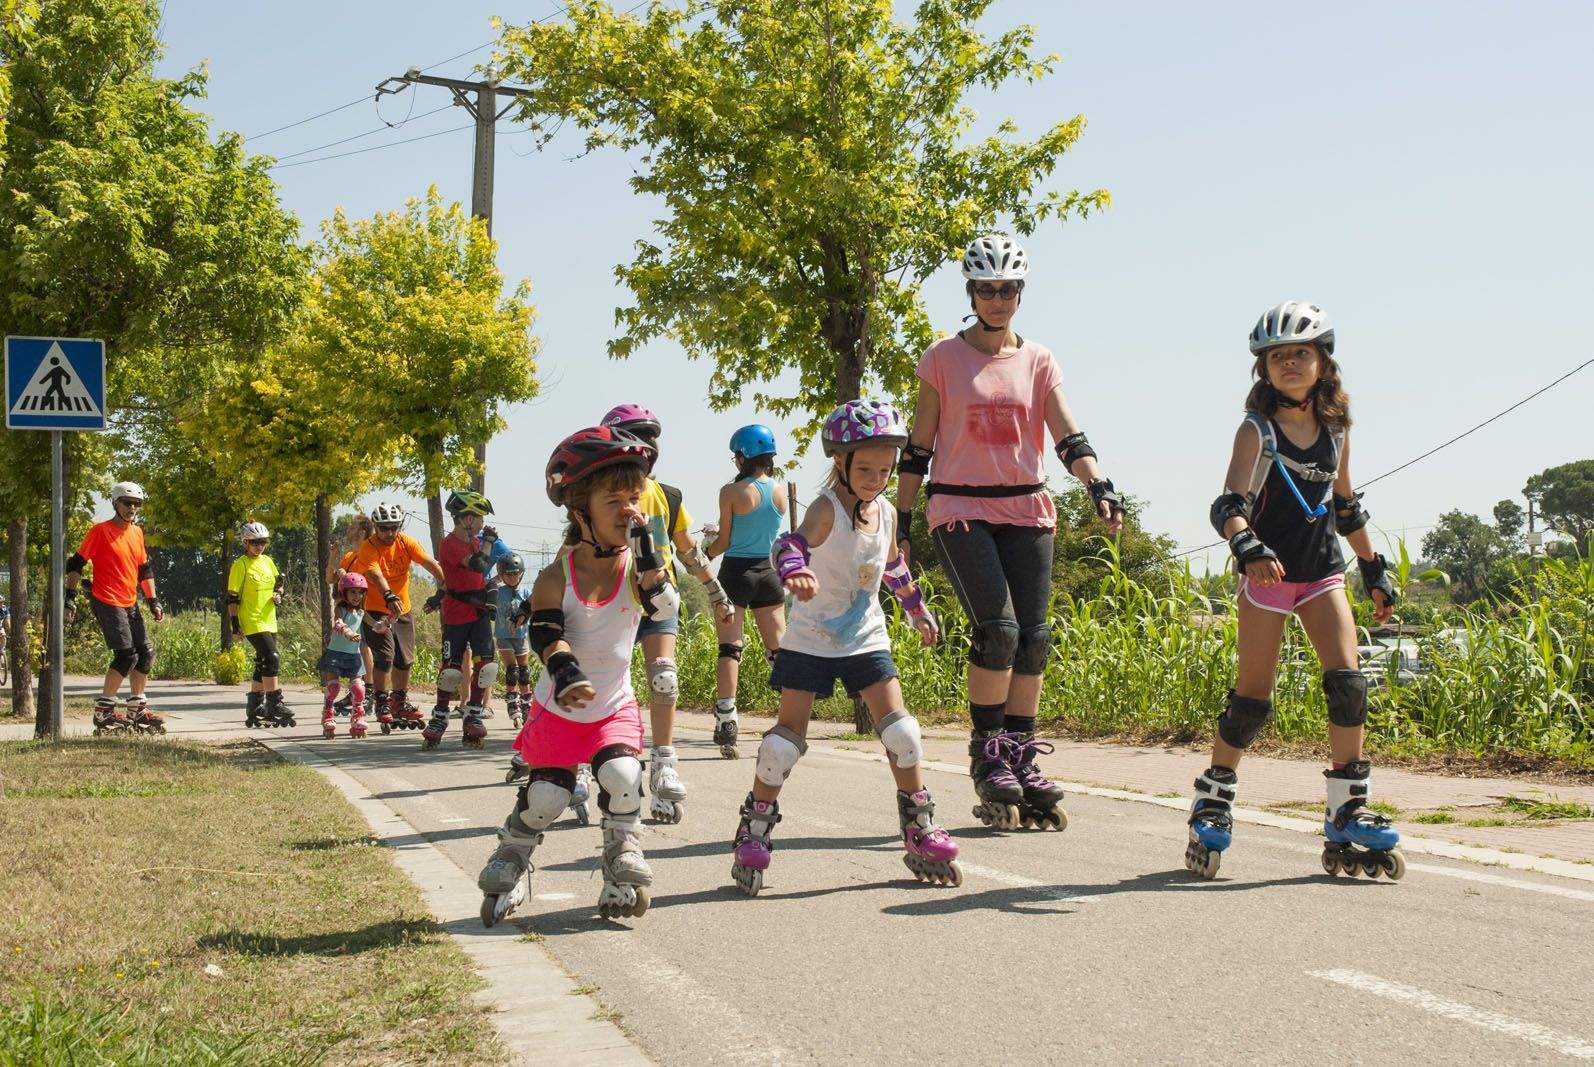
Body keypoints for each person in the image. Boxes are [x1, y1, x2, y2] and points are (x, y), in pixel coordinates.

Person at [895, 234, 1125, 832]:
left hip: (1027, 509)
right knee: (997, 630)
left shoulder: (1039, 359)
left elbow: (1067, 433)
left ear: (1020, 293)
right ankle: (988, 753)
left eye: (1007, 289)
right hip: (959, 510)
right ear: (971, 293)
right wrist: (900, 519)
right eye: (986, 289)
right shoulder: (942, 357)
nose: (997, 299)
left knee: (1034, 638)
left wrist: (1098, 485)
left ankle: (1022, 753)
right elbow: (920, 444)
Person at [1187, 301, 1402, 881]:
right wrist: (1247, 546)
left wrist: (1374, 568)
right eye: (1278, 356)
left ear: (1322, 362)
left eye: (1301, 353)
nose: (1289, 363)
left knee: (1349, 683)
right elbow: (1228, 504)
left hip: (1321, 571)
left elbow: (1345, 505)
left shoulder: (1335, 431)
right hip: (1268, 578)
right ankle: (1213, 796)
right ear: (1263, 368)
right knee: (1253, 699)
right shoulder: (1255, 430)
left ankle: (1347, 808)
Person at [730, 400, 957, 896]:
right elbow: (789, 545)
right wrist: (796, 572)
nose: (876, 478)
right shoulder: (825, 508)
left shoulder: (888, 515)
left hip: (866, 638)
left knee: (903, 734)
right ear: (840, 462)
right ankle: (755, 828)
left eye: (884, 469)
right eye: (866, 468)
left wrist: (918, 611)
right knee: (781, 744)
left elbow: (893, 567)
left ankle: (919, 827)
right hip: (811, 640)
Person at [478, 426, 678, 925]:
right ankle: (515, 850)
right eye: (614, 500)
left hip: (612, 706)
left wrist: (651, 552)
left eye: (635, 498)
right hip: (560, 706)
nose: (629, 510)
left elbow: (665, 607)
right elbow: (545, 635)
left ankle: (621, 851)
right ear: (579, 510)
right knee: (548, 796)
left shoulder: (638, 567)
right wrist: (566, 674)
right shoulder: (554, 577)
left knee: (624, 774)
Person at [599, 404, 733, 823]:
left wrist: (715, 590)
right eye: (638, 435)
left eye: (652, 437)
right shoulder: (598, 495)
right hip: (612, 601)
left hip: (659, 598)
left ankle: (663, 764)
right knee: (605, 685)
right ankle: (589, 760)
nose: (648, 445)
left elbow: (688, 550)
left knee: (664, 676)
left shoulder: (668, 496)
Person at [702, 424, 789, 760]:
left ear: (742, 457)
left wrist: (702, 556)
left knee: (730, 648)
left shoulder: (731, 492)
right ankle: (787, 723)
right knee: (779, 651)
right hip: (768, 574)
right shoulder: (780, 491)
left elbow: (723, 542)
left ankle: (727, 721)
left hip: (736, 573)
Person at [63, 481, 165, 733]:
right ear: (115, 503)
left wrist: (153, 601)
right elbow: (75, 564)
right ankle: (104, 712)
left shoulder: (137, 533)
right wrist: (69, 597)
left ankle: (137, 709)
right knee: (126, 655)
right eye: (127, 503)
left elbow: (144, 569)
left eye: (137, 504)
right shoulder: (100, 531)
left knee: (146, 653)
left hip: (129, 601)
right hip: (106, 600)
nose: (132, 508)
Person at [350, 503, 446, 733]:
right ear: (376, 527)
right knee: (384, 657)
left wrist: (442, 590)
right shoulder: (368, 548)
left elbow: (430, 563)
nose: (389, 533)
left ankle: (399, 701)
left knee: (405, 659)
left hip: (402, 609)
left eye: (394, 528)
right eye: (384, 528)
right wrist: (388, 594)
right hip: (375, 609)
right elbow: (375, 574)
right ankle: (382, 702)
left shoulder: (406, 542)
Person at [420, 489, 500, 751]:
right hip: (457, 615)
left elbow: (479, 577)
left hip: (477, 614)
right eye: (478, 517)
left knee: (486, 666)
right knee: (452, 669)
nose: (482, 522)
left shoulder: (474, 541)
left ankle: (474, 712)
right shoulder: (450, 544)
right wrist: (488, 541)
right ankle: (440, 715)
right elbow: (477, 565)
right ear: (466, 519)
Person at [228, 521, 290, 728]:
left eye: (263, 542)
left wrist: (278, 594)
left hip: (269, 619)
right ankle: (274, 703)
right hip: (251, 619)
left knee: (262, 661)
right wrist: (235, 625)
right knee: (272, 657)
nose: (259, 546)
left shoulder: (268, 561)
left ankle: (255, 707)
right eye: (255, 542)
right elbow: (232, 598)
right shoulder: (240, 565)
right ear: (245, 542)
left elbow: (279, 582)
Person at [326, 515, 376, 717]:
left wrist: (345, 577)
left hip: (366, 607)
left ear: (362, 532)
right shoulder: (349, 556)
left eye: (353, 527)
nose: (348, 529)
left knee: (364, 647)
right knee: (358, 646)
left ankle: (369, 691)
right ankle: (357, 691)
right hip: (348, 610)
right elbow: (330, 578)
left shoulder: (370, 554)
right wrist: (333, 557)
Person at [320, 573, 370, 739]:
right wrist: (347, 632)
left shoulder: (362, 612)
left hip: (353, 655)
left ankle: (358, 716)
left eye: (360, 592)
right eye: (353, 592)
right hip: (336, 653)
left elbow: (376, 625)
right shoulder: (339, 609)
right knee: (333, 687)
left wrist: (388, 621)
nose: (357, 596)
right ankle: (328, 714)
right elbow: (338, 623)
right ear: (344, 593)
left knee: (358, 688)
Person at [493, 552, 534, 728]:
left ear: (521, 573)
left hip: (521, 636)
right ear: (501, 575)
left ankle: (527, 703)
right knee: (513, 670)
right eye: (508, 574)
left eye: (515, 573)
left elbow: (533, 608)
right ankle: (512, 702)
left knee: (524, 672)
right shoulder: (497, 592)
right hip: (503, 637)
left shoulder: (525, 592)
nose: (512, 577)